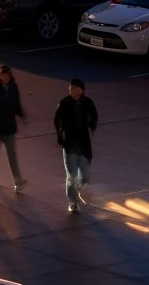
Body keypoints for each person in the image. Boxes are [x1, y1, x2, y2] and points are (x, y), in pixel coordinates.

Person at [54, 78, 99, 213]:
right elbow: (57, 120)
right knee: (71, 175)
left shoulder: (87, 102)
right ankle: (73, 202)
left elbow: (94, 116)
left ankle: (76, 189)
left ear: (81, 90)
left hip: (84, 144)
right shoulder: (64, 102)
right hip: (70, 145)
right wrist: (60, 134)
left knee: (84, 176)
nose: (71, 90)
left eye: (75, 88)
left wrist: (92, 126)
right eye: (71, 87)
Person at [0, 65, 27, 192]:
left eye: (7, 75)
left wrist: (21, 114)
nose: (4, 77)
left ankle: (18, 181)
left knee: (12, 155)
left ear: (10, 76)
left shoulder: (14, 87)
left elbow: (16, 104)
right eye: (2, 75)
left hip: (9, 127)